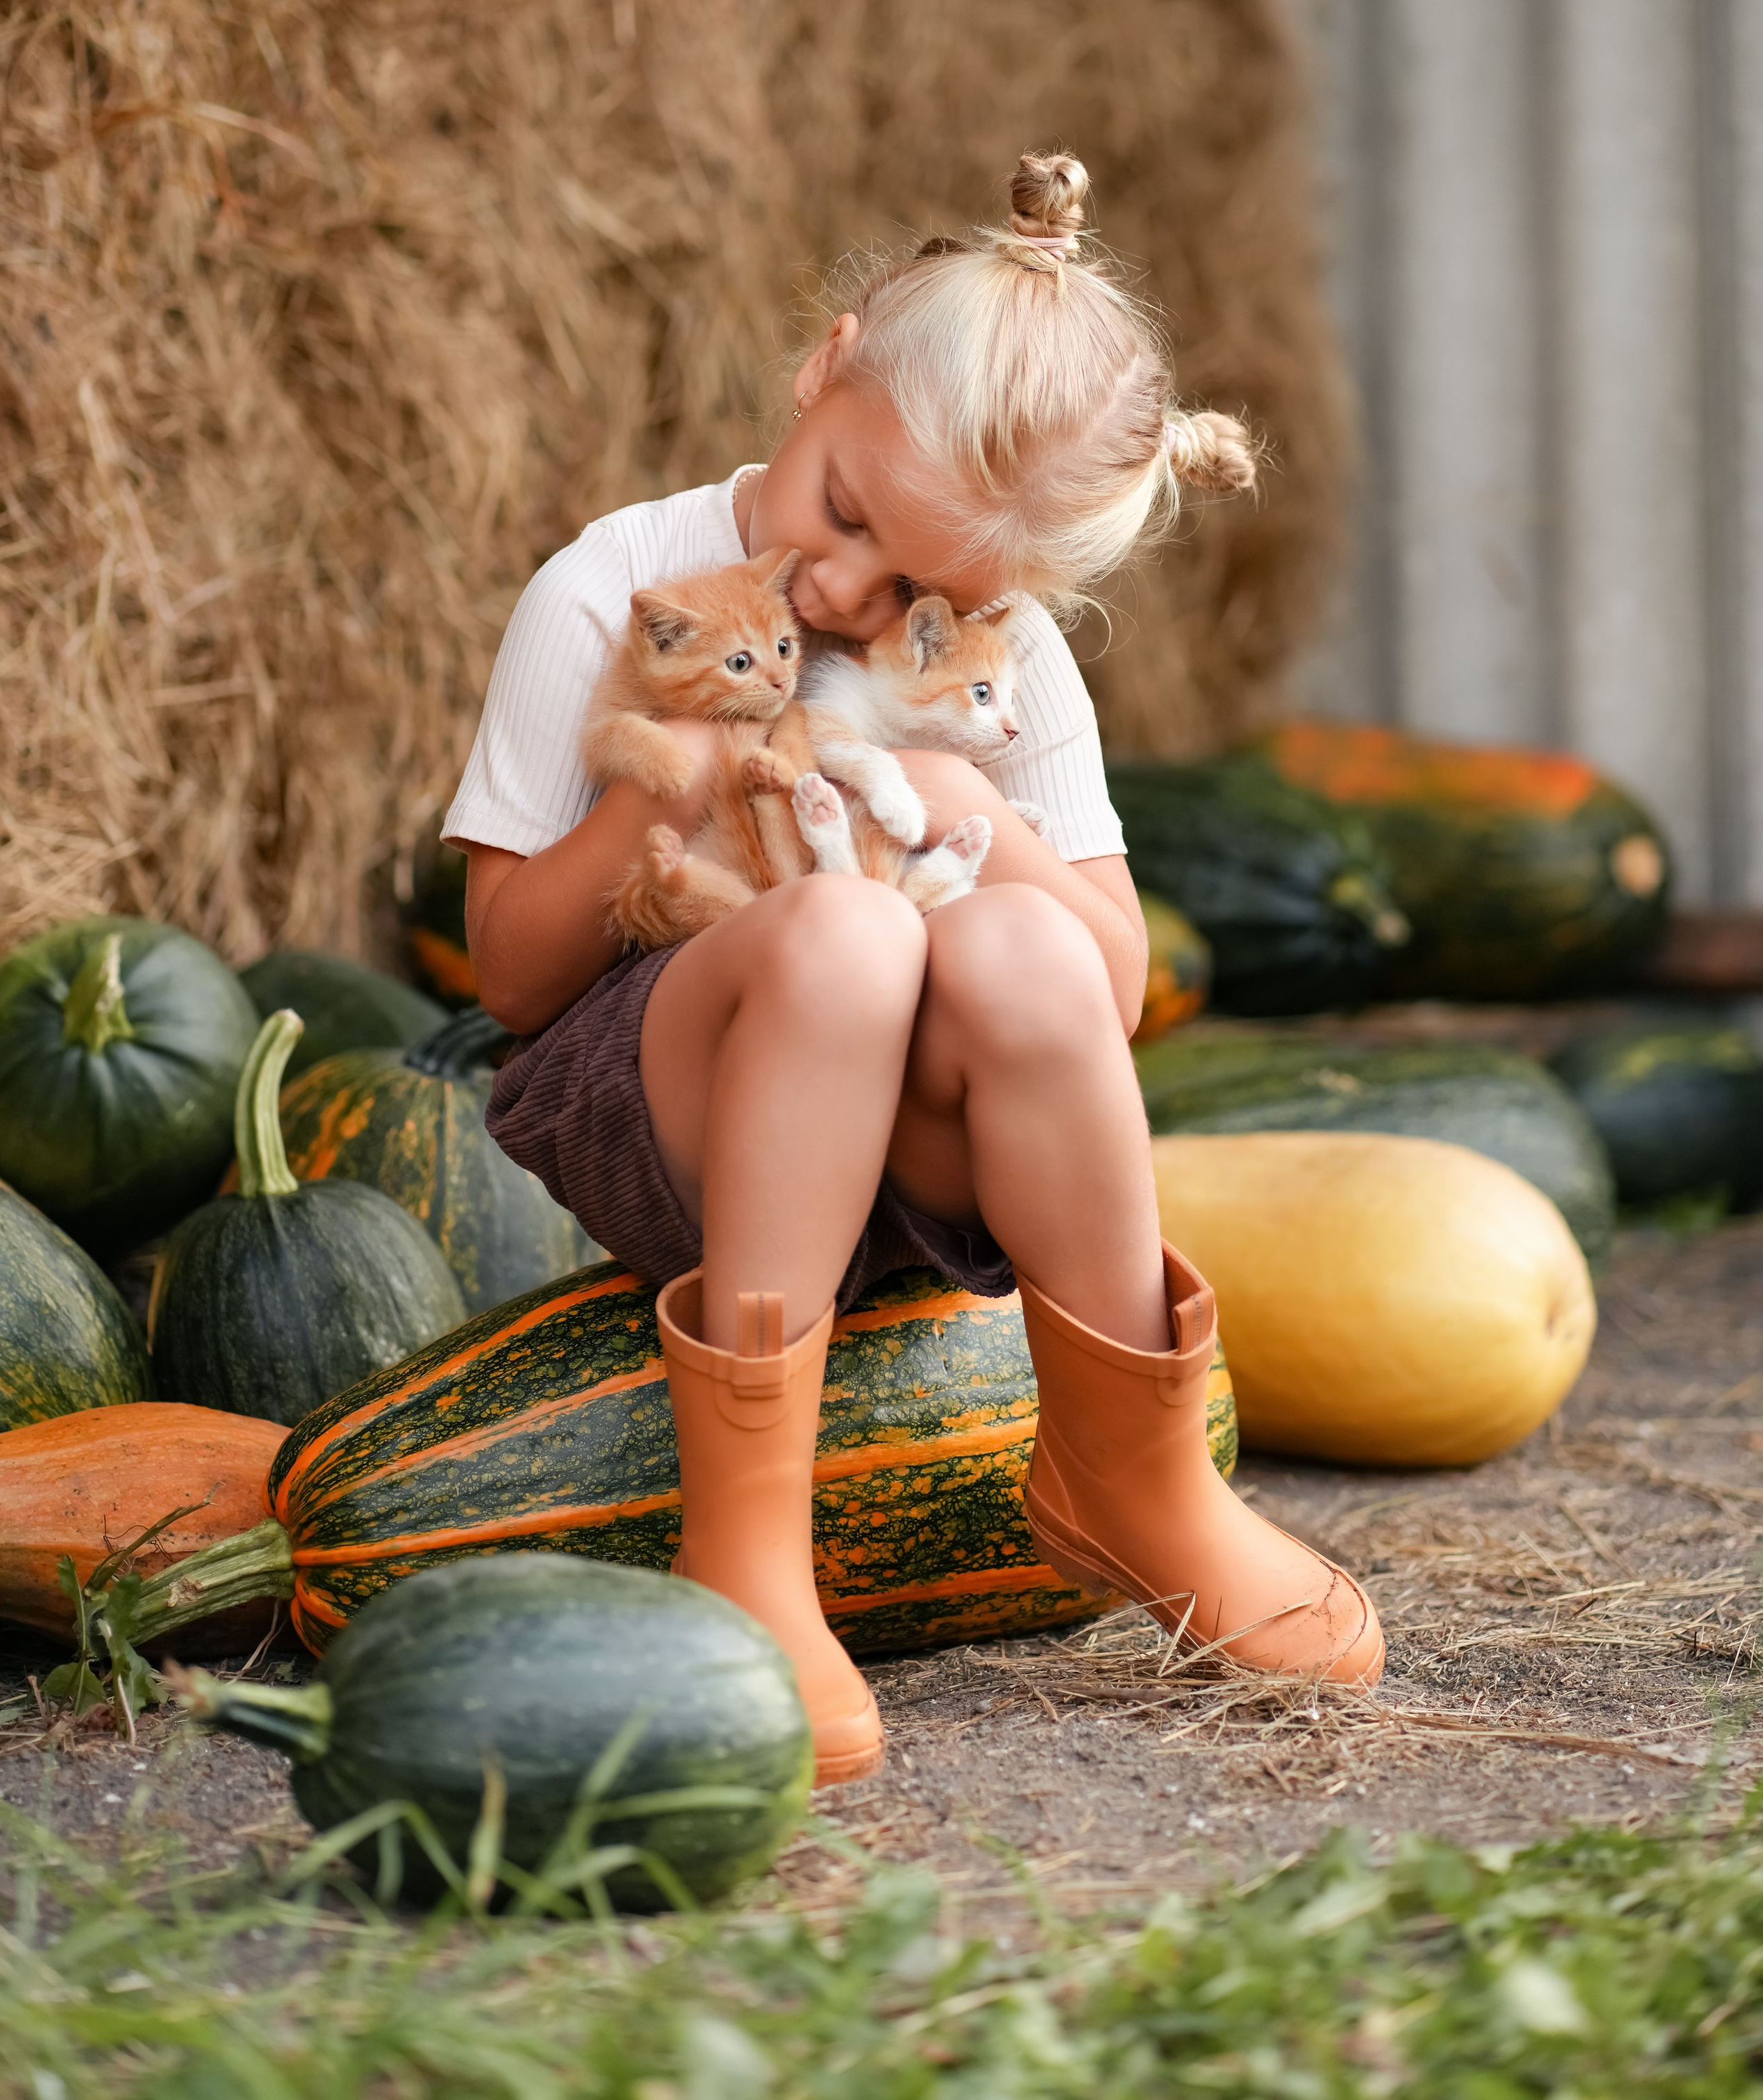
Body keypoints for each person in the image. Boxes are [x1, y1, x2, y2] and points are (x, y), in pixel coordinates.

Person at [447, 151, 1384, 1786]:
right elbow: (514, 979)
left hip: (932, 1177)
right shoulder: (621, 589)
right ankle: (746, 1554)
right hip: (670, 1109)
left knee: (1013, 934)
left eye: (932, 593)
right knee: (844, 928)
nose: (842, 596)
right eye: (844, 515)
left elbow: (1098, 988)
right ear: (826, 362)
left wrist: (962, 801)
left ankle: (1129, 1479)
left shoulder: (1005, 666)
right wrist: (664, 767)